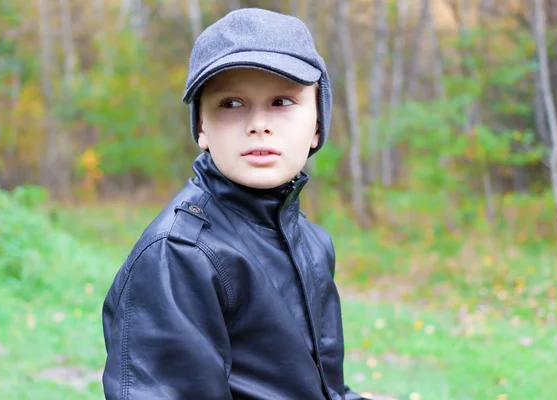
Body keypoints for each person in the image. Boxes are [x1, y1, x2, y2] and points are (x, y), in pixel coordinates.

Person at [102, 7, 368, 400]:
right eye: (231, 104)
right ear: (201, 127)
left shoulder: (310, 241)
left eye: (282, 101)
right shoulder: (179, 255)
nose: (258, 124)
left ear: (317, 125)